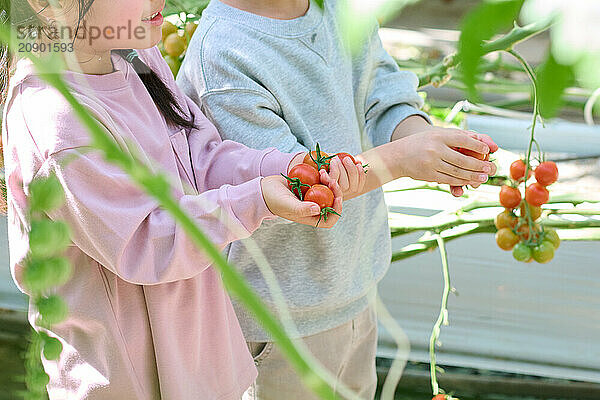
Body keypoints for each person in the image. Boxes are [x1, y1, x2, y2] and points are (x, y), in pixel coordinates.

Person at [0, 0, 344, 398]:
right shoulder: (55, 120)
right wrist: (255, 200)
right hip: (130, 383)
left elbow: (197, 155)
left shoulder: (134, 51)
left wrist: (282, 169)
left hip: (202, 366)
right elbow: (147, 241)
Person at [177, 0, 498, 398]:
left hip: (355, 290)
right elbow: (294, 189)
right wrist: (403, 159)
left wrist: (426, 144)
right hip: (279, 323)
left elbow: (382, 90)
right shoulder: (223, 53)